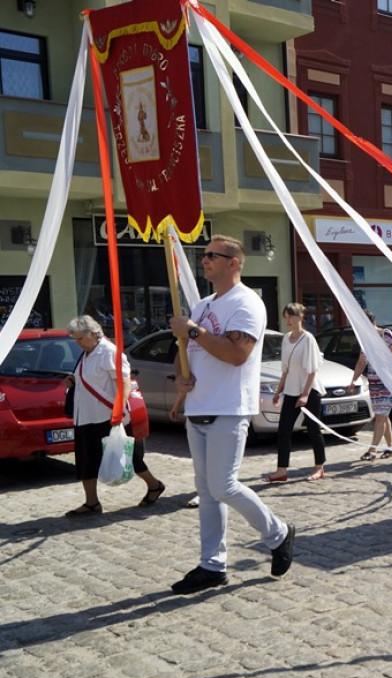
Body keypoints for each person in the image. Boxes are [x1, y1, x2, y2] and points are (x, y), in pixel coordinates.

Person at [168, 235, 295, 594]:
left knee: (224, 485)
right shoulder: (203, 303)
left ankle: (278, 533)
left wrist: (193, 329)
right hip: (200, 407)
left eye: (212, 255)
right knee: (207, 491)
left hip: (229, 407)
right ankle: (212, 564)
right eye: (203, 254)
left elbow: (238, 353)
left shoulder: (247, 304)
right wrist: (180, 372)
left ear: (234, 263)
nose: (204, 260)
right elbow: (187, 351)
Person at [64, 315, 165, 516]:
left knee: (129, 458)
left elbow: (124, 382)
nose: (77, 343)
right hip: (85, 415)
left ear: (93, 334)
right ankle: (91, 502)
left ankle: (154, 485)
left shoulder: (109, 352)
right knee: (86, 460)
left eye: (80, 339)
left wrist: (118, 409)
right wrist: (74, 381)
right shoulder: (86, 353)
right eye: (75, 339)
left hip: (108, 415)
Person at [266, 302, 327, 482]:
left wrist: (305, 394)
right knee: (284, 429)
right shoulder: (285, 339)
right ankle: (281, 470)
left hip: (309, 390)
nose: (288, 321)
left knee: (313, 429)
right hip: (291, 391)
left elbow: (312, 370)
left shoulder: (308, 339)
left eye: (291, 317)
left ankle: (319, 467)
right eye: (285, 317)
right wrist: (279, 391)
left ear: (301, 317)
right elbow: (286, 369)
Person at [347, 309, 392, 461]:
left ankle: (372, 450)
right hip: (374, 383)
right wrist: (353, 380)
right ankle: (390, 448)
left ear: (372, 322)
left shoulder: (385, 334)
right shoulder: (364, 340)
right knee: (383, 416)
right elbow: (361, 362)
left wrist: (381, 359)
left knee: (379, 417)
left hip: (388, 382)